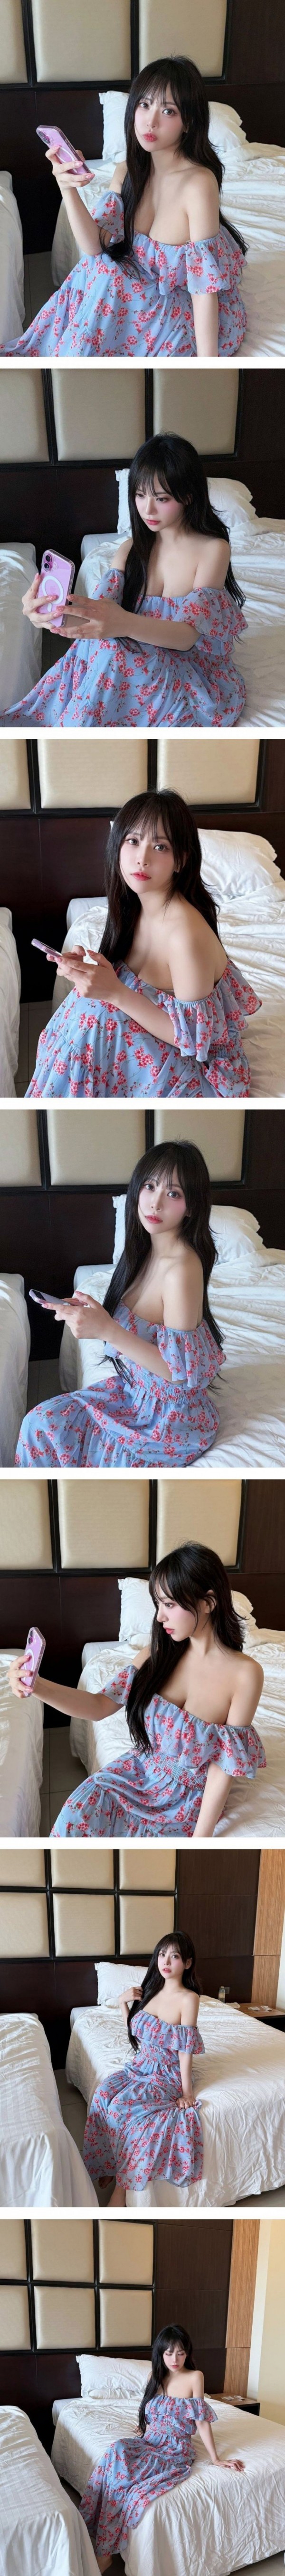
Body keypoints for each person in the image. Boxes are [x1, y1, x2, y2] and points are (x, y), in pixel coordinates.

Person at [9, 1541, 265, 1841]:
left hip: (186, 1799)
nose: (160, 1617)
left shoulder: (245, 1674)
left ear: (208, 1602)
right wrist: (37, 1685)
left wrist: (201, 1840)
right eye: (158, 1605)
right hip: (137, 1771)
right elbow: (99, 1705)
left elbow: (224, 1765)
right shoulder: (155, 1655)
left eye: (170, 1605)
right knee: (76, 1815)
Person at [2, 56, 247, 360]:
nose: (151, 122)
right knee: (101, 267)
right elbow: (94, 246)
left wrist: (207, 367)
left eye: (168, 111)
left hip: (177, 308)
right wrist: (67, 188)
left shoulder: (198, 183)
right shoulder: (128, 171)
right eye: (144, 105)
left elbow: (203, 288)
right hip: (132, 296)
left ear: (189, 123)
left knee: (109, 274)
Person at [26, 788, 260, 1100]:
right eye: (133, 841)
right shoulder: (133, 907)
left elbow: (196, 1041)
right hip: (168, 1039)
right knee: (90, 1012)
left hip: (202, 1070)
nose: (142, 858)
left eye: (160, 847)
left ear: (181, 860)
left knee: (97, 1017)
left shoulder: (185, 934)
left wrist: (115, 992)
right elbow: (136, 981)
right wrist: (90, 973)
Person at [5, 434, 247, 731]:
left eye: (162, 499)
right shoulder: (130, 549)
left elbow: (187, 638)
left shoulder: (213, 549)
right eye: (140, 495)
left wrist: (123, 624)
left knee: (112, 651)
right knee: (102, 646)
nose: (148, 510)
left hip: (185, 666)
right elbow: (98, 615)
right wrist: (47, 615)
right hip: (130, 654)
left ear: (188, 496)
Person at [14, 1140, 225, 1470]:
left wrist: (106, 1330)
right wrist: (93, 1313)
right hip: (135, 1389)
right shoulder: (144, 1251)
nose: (155, 1203)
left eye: (173, 1194)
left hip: (167, 1418)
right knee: (38, 1423)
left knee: (49, 1431)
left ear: (192, 1207)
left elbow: (179, 1375)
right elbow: (142, 1321)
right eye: (150, 1186)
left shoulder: (182, 1268)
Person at [79, 2321, 244, 2569]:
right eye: (169, 2353)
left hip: (175, 2448)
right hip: (150, 2441)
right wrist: (145, 2432)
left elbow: (201, 2421)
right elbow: (149, 2411)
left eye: (181, 2353)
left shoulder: (195, 2377)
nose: (174, 2359)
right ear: (160, 2354)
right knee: (117, 2449)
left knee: (130, 2483)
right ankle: (94, 2533)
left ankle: (105, 2552)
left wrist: (216, 2459)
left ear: (188, 2353)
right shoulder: (154, 2377)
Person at [83, 1931, 205, 2204]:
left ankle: (122, 2187)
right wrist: (123, 2002)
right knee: (102, 2096)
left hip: (166, 2072)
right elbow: (136, 2030)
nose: (166, 1962)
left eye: (175, 1956)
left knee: (124, 2110)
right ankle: (109, 2163)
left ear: (187, 1963)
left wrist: (187, 2093)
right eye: (162, 1954)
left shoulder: (189, 1999)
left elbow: (185, 2050)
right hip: (141, 2066)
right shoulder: (150, 1991)